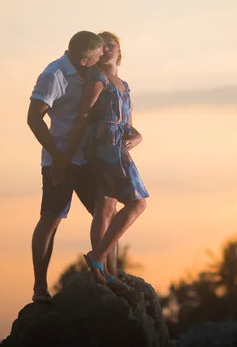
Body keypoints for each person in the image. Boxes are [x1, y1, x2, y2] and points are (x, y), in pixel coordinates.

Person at [62, 31, 148, 293]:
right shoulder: (98, 78)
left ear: (120, 50)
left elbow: (129, 124)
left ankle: (108, 274)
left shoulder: (124, 84)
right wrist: (68, 153)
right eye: (103, 45)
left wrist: (138, 135)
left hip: (118, 143)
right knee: (137, 203)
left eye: (112, 44)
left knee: (106, 209)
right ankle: (98, 257)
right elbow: (84, 114)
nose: (107, 48)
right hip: (105, 146)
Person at [27, 30, 104, 303]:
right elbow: (34, 118)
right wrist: (58, 156)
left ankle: (108, 277)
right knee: (51, 219)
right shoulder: (54, 75)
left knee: (105, 214)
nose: (102, 58)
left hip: (88, 160)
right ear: (84, 61)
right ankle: (39, 287)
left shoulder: (94, 74)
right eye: (98, 56)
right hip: (58, 159)